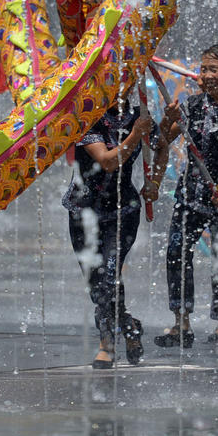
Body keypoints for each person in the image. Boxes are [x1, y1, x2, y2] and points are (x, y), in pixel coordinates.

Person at [153, 43, 218, 351]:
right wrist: (166, 119)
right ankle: (181, 321)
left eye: (212, 69)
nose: (205, 75)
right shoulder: (192, 107)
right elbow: (161, 141)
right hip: (191, 195)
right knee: (176, 253)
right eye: (203, 69)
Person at [63, 97, 154, 368]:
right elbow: (107, 161)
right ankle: (128, 324)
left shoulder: (140, 114)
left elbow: (161, 146)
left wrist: (155, 181)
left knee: (110, 275)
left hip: (122, 211)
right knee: (96, 280)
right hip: (83, 210)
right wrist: (137, 133)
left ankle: (107, 342)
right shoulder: (86, 115)